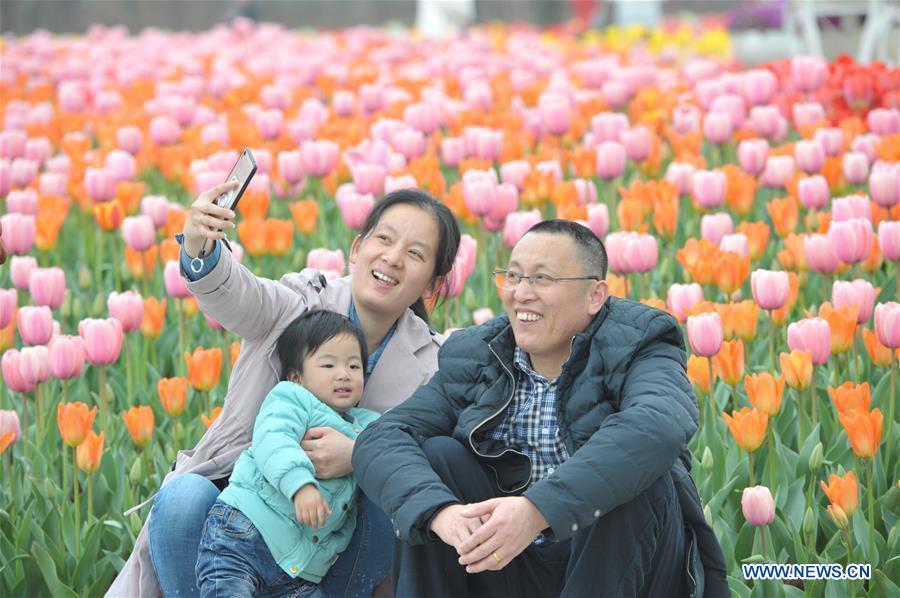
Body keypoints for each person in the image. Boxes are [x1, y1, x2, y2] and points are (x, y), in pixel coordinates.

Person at [106, 184, 461, 597]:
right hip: (243, 509)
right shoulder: (300, 303)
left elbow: (427, 450)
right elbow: (240, 295)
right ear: (357, 247)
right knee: (184, 496)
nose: (393, 258)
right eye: (384, 238)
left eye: (415, 253)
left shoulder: (432, 364)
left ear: (432, 286)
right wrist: (202, 249)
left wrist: (358, 455)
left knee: (392, 494)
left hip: (331, 539)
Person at [353, 219, 729, 598]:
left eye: (542, 279)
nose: (521, 293)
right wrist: (440, 513)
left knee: (636, 476)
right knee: (439, 457)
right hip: (505, 560)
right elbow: (381, 439)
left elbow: (657, 426)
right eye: (513, 277)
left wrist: (537, 510)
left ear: (595, 295)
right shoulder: (478, 354)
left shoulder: (641, 340)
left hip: (614, 559)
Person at [196, 310, 378, 597]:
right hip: (246, 534)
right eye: (329, 364)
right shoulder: (291, 399)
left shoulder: (364, 424)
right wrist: (300, 485)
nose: (344, 373)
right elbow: (273, 438)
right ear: (297, 378)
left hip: (299, 572)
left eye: (355, 366)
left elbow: (393, 442)